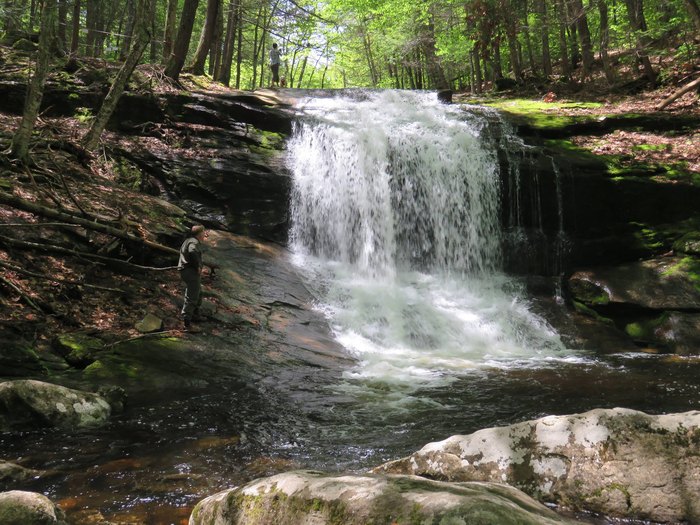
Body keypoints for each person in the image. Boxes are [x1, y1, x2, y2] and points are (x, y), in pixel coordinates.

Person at [178, 224, 207, 331]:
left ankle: (195, 315)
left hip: (185, 271)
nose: (205, 234)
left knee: (198, 292)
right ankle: (186, 324)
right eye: (204, 232)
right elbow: (192, 251)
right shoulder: (193, 242)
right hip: (190, 272)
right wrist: (198, 266)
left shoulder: (188, 240)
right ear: (200, 234)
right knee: (192, 297)